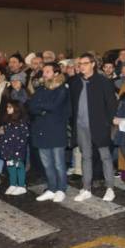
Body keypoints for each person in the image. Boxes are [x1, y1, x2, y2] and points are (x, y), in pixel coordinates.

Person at [69, 53, 118, 202]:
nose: (81, 66)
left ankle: (110, 188)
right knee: (86, 157)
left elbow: (111, 104)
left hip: (99, 125)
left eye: (84, 63)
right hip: (81, 125)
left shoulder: (103, 81)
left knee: (105, 156)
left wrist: (108, 122)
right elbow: (72, 104)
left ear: (92, 64)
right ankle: (86, 188)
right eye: (80, 64)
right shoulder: (75, 82)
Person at [30, 63, 71, 203]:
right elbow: (31, 105)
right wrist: (42, 109)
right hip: (41, 130)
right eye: (44, 71)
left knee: (59, 163)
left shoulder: (62, 89)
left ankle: (61, 189)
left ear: (55, 73)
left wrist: (41, 107)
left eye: (47, 71)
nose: (44, 73)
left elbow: (55, 106)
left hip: (56, 130)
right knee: (47, 164)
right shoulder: (41, 88)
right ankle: (52, 188)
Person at [0, 100, 29, 196]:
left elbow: (25, 135)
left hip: (17, 149)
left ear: (16, 109)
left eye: (10, 107)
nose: (7, 109)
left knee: (18, 165)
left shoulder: (22, 122)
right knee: (10, 166)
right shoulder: (7, 120)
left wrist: (18, 148)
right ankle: (13, 183)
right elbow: (4, 134)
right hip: (8, 148)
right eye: (7, 107)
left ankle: (21, 185)